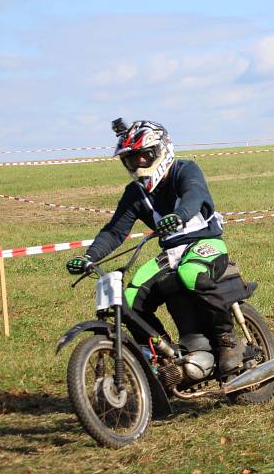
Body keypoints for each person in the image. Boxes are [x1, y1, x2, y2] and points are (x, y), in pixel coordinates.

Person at [66, 119, 242, 371]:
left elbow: (194, 195)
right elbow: (115, 231)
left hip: (207, 242)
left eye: (144, 156)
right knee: (127, 301)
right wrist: (89, 257)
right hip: (171, 253)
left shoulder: (185, 169)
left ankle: (227, 340)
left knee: (191, 272)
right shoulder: (135, 193)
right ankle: (166, 355)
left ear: (162, 150)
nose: (138, 164)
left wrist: (179, 215)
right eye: (131, 158)